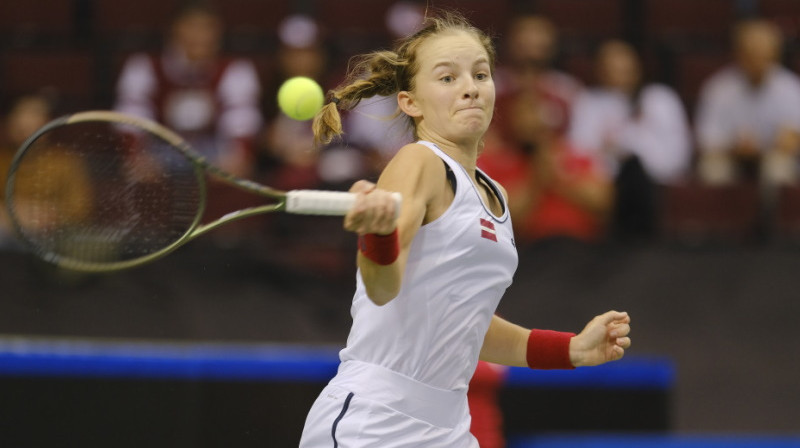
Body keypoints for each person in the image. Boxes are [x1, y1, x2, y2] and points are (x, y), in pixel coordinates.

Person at [299, 12, 632, 447]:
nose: (471, 87)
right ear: (410, 102)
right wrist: (378, 235)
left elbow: (467, 323)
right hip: (375, 421)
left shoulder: (495, 193)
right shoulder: (418, 162)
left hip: (451, 427)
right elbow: (383, 286)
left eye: (480, 73)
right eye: (447, 77)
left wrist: (570, 350)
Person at [114, 1, 262, 178]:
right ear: (173, 29)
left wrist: (239, 155)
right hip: (160, 156)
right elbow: (132, 116)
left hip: (213, 156)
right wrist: (134, 155)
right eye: (191, 27)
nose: (200, 36)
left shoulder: (235, 70)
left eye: (207, 28)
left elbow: (242, 120)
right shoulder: (144, 67)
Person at [568, 40, 691, 240]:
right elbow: (580, 152)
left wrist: (625, 145)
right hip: (612, 189)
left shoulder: (660, 99)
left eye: (626, 69)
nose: (620, 76)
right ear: (600, 71)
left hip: (656, 186)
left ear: (637, 69)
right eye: (612, 69)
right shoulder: (589, 102)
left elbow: (677, 155)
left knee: (635, 171)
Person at [695, 19, 800, 189]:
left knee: (779, 167)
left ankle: (773, 216)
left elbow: (794, 136)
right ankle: (723, 216)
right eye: (751, 54)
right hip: (729, 156)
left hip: (772, 155)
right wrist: (735, 146)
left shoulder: (791, 88)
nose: (757, 62)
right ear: (739, 54)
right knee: (712, 169)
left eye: (763, 55)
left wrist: (777, 143)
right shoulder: (718, 88)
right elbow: (706, 138)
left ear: (775, 55)